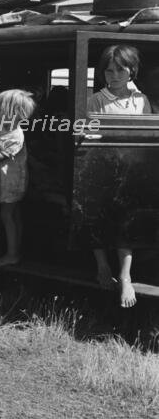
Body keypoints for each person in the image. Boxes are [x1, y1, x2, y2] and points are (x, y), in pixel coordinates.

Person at [87, 44, 151, 308]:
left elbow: (147, 135)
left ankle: (125, 276)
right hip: (103, 168)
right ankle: (102, 266)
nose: (113, 75)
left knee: (127, 223)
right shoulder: (96, 101)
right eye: (108, 70)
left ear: (132, 71)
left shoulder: (141, 100)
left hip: (132, 169)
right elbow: (88, 135)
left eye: (120, 70)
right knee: (98, 219)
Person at [0, 89, 35, 267]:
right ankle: (16, 247)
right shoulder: (4, 125)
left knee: (7, 215)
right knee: (13, 214)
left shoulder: (16, 135)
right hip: (7, 181)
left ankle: (12, 254)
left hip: (12, 182)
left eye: (0, 110)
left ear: (14, 114)